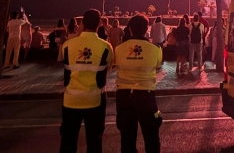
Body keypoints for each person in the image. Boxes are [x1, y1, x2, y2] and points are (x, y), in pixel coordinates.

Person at [60, 9, 113, 153]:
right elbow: (108, 68)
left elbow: (63, 63)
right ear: (100, 24)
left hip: (71, 100)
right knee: (95, 142)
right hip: (95, 100)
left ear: (82, 23)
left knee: (68, 141)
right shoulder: (106, 47)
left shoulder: (67, 45)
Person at [114, 15, 163, 153]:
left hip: (124, 97)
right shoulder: (155, 49)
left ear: (129, 29)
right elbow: (158, 66)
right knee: (151, 137)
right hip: (146, 97)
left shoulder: (119, 49)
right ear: (147, 29)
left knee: (127, 139)